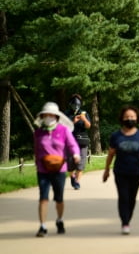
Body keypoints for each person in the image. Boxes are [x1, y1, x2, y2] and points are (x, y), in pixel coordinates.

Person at [33, 102, 81, 237]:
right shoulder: (38, 132)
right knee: (43, 197)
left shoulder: (63, 130)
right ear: (42, 116)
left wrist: (76, 154)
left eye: (51, 114)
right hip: (43, 169)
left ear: (56, 116)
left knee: (59, 198)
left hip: (59, 169)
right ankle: (42, 226)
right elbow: (36, 150)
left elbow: (73, 145)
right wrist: (38, 163)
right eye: (46, 114)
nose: (48, 116)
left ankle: (59, 220)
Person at [102, 106, 139, 235]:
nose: (129, 119)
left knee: (132, 198)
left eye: (132, 117)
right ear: (122, 119)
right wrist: (106, 170)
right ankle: (125, 222)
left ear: (137, 118)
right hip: (120, 171)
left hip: (136, 172)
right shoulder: (116, 136)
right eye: (127, 117)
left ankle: (127, 218)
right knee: (123, 197)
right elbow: (111, 154)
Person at [65, 94, 91, 190]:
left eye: (78, 102)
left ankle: (77, 182)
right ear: (70, 103)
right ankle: (72, 176)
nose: (76, 104)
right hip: (70, 142)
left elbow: (88, 126)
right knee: (70, 163)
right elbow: (62, 128)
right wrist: (73, 121)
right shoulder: (66, 114)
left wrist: (84, 119)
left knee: (81, 163)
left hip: (82, 141)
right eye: (74, 102)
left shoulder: (84, 113)